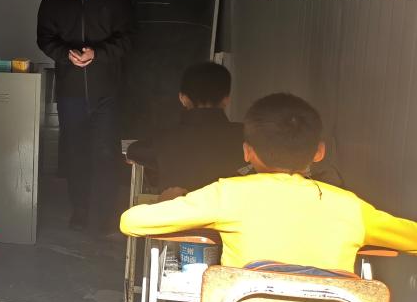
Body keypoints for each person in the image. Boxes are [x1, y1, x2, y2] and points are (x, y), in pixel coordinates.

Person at [120, 93, 417, 270]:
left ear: (247, 152)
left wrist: (170, 201)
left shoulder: (228, 194)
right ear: (319, 152)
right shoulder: (351, 208)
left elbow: (131, 222)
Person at [37, 0, 133, 235]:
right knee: (76, 152)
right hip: (71, 89)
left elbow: (127, 38)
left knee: (105, 152)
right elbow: (44, 39)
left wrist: (98, 53)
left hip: (107, 89)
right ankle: (80, 210)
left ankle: (103, 215)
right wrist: (65, 54)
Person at [126, 62, 244, 199]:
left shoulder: (164, 140)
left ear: (183, 98)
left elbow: (133, 151)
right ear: (226, 99)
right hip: (234, 212)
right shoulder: (247, 135)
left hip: (179, 212)